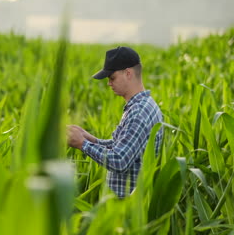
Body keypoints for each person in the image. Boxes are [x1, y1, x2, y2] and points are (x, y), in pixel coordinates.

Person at [67, 46, 163, 198]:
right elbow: (122, 147)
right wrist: (88, 138)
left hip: (128, 209)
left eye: (112, 78)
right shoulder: (143, 105)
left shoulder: (138, 113)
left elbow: (119, 161)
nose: (109, 84)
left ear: (128, 73)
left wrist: (82, 144)